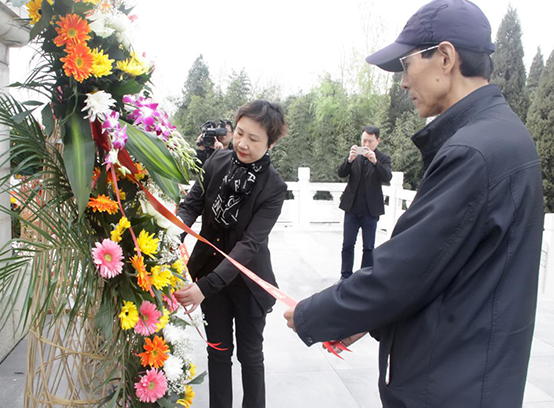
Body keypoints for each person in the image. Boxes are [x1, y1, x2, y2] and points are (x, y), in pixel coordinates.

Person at [284, 0, 544, 407]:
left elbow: (407, 269)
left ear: (445, 57)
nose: (403, 83)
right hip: (473, 369)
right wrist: (369, 317)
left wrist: (313, 314)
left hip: (450, 384)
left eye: (406, 65)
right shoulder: (501, 134)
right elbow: (447, 269)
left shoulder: (474, 150)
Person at [175, 100, 288, 408]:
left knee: (250, 356)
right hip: (209, 274)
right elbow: (191, 205)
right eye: (239, 133)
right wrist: (171, 236)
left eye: (254, 139)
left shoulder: (274, 187)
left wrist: (204, 287)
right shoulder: (217, 161)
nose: (242, 144)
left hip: (248, 283)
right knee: (218, 352)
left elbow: (249, 245)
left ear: (271, 143)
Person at [338, 126, 391, 279]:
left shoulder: (383, 158)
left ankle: (364, 279)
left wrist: (375, 162)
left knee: (368, 247)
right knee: (347, 244)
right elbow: (341, 173)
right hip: (352, 207)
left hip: (370, 210)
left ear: (378, 141)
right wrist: (349, 160)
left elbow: (387, 177)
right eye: (364, 141)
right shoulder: (355, 155)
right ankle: (345, 276)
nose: (366, 145)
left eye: (370, 141)